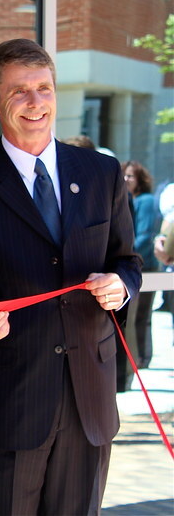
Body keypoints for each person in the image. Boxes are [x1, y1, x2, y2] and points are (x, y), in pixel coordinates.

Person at [0, 38, 141, 515]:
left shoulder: (102, 172)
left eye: (43, 88)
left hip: (89, 397)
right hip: (7, 400)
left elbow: (128, 260)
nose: (35, 102)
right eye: (19, 91)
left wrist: (120, 284)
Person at [118, 161, 160, 388]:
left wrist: (127, 256)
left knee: (141, 315)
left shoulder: (145, 201)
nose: (126, 180)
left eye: (131, 176)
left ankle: (142, 358)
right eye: (124, 176)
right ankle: (139, 360)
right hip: (133, 264)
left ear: (140, 178)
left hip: (143, 265)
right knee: (134, 317)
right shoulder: (129, 199)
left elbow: (144, 234)